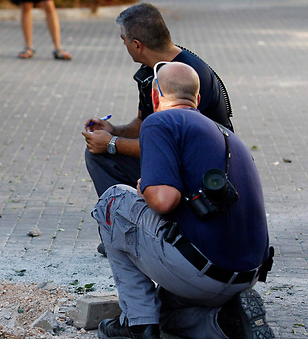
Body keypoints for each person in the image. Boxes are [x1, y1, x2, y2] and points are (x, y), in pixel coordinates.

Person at [91, 62, 276, 339]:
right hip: (246, 273)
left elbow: (164, 200)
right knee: (163, 309)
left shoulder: (159, 122)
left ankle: (136, 324)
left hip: (201, 273)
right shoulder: (225, 134)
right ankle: (230, 321)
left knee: (113, 200)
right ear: (198, 100)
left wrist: (144, 189)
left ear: (155, 97)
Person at [82, 3, 232, 256]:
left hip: (202, 170)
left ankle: (154, 234)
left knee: (106, 150)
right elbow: (145, 124)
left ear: (137, 44)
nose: (125, 46)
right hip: (174, 155)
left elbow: (166, 148)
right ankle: (121, 230)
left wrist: (112, 142)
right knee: (99, 156)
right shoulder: (149, 73)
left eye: (124, 41)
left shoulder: (185, 73)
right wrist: (114, 129)